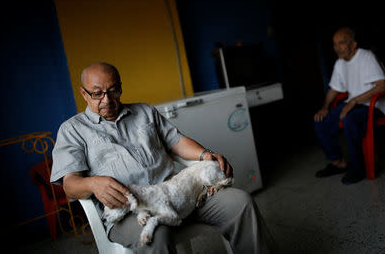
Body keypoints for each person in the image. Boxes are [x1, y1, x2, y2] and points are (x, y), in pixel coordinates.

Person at [50, 62, 273, 253]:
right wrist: (91, 183)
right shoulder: (72, 130)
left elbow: (177, 142)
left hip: (179, 193)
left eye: (113, 90)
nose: (107, 100)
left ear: (120, 87)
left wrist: (205, 155)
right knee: (156, 233)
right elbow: (70, 185)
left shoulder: (144, 112)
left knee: (239, 202)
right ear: (83, 93)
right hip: (132, 210)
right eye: (97, 93)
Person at [313, 27, 385, 185]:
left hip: (376, 104)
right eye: (335, 44)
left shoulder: (367, 57)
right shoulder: (340, 64)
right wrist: (325, 107)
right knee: (320, 120)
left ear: (354, 44)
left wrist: (353, 101)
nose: (337, 47)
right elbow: (334, 90)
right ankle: (339, 163)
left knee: (350, 119)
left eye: (342, 43)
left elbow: (382, 85)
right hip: (355, 103)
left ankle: (359, 168)